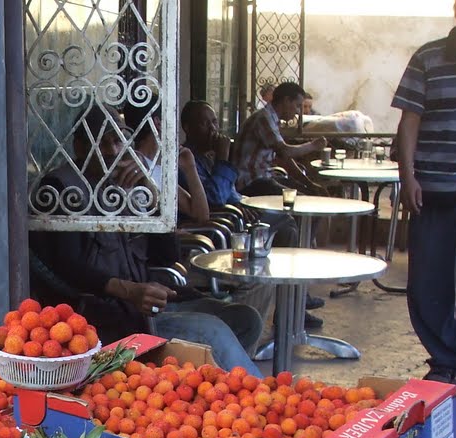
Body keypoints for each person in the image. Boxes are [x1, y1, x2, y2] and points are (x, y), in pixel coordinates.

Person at [28, 104, 263, 375]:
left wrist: (151, 194)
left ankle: (211, 389)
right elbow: (67, 266)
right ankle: (252, 398)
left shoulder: (125, 182)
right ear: (79, 148)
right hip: (109, 317)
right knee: (214, 330)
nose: (113, 152)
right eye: (101, 143)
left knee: (247, 319)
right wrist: (128, 290)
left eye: (117, 141)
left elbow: (167, 256)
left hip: (149, 303)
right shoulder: (60, 189)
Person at [393, 0, 456, 404]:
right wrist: (408, 176)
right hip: (429, 190)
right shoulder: (428, 57)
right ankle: (444, 359)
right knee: (426, 283)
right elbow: (408, 122)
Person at [179, 100, 324, 330]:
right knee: (285, 227)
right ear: (187, 127)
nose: (213, 130)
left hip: (234, 215)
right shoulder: (187, 160)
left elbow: (229, 192)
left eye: (214, 122)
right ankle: (288, 310)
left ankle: (293, 307)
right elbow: (214, 198)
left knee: (287, 220)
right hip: (220, 229)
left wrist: (238, 202)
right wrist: (224, 159)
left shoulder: (207, 156)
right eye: (205, 124)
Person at [234, 81, 328, 197]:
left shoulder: (271, 119)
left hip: (263, 178)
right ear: (286, 100)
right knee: (301, 200)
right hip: (249, 181)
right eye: (297, 106)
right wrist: (313, 145)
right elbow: (285, 151)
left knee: (309, 193)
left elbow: (284, 158)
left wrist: (309, 184)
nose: (298, 111)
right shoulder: (263, 118)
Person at [124, 103, 209, 224]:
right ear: (158, 123)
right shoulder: (132, 165)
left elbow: (201, 215)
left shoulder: (158, 169)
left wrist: (190, 168)